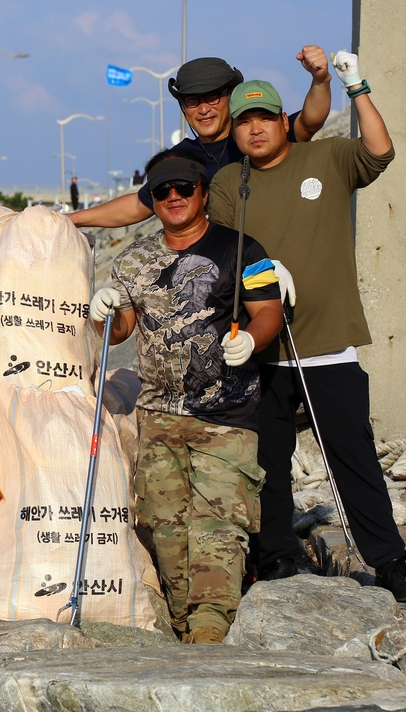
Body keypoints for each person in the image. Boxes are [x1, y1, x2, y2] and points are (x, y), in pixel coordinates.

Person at [207, 58, 406, 603]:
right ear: (233, 132)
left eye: (263, 117)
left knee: (352, 459)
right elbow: (219, 259)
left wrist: (354, 85)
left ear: (284, 120)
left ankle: (390, 563)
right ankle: (276, 558)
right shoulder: (228, 182)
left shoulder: (327, 157)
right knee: (268, 468)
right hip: (261, 352)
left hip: (329, 347)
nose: (254, 128)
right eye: (243, 121)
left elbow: (380, 149)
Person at [90, 157, 283, 644]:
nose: (173, 197)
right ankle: (183, 630)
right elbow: (123, 331)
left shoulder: (243, 248)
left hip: (227, 418)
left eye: (183, 187)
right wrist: (103, 315)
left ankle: (210, 635)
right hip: (158, 419)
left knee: (219, 531)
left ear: (201, 192)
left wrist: (253, 340)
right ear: (151, 200)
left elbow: (269, 312)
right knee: (169, 535)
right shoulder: (132, 261)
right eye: (162, 191)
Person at [68, 46, 333, 229]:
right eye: (193, 101)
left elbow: (311, 120)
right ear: (182, 106)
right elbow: (139, 205)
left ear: (231, 97)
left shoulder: (258, 137)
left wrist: (320, 79)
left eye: (213, 97)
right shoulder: (181, 158)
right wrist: (74, 219)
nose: (203, 109)